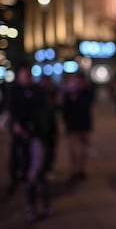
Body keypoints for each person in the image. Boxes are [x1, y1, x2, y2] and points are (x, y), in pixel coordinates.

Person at [5, 64, 52, 221]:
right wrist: (16, 125)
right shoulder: (13, 93)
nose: (26, 77)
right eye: (23, 75)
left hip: (36, 138)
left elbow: (45, 117)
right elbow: (11, 113)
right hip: (21, 141)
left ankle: (44, 204)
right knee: (26, 175)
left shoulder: (38, 93)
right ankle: (31, 207)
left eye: (28, 74)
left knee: (36, 174)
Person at [62, 72, 94, 183]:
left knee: (83, 150)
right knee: (73, 150)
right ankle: (74, 170)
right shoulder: (68, 93)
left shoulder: (86, 92)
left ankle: (81, 169)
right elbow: (65, 110)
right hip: (72, 126)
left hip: (84, 125)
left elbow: (87, 105)